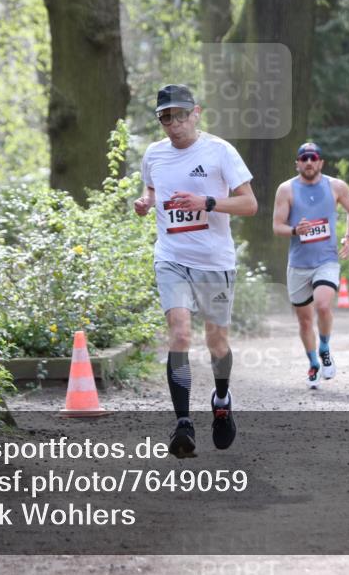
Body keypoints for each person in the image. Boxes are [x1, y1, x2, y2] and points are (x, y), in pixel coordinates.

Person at [134, 84, 257, 458]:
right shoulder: (154, 154)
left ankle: (221, 399)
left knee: (216, 342)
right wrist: (145, 202)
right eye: (165, 118)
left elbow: (249, 204)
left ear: (197, 112)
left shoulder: (220, 152)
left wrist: (207, 201)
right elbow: (153, 192)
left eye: (181, 115)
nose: (174, 124)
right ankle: (183, 423)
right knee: (181, 335)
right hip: (171, 257)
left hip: (215, 262)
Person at [271, 142, 349, 389]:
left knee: (322, 305)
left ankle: (324, 347)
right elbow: (277, 226)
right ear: (297, 163)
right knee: (304, 321)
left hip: (326, 260)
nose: (309, 162)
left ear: (321, 162)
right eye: (304, 158)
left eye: (313, 157)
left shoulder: (336, 186)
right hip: (298, 264)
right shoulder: (286, 190)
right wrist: (294, 230)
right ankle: (313, 362)